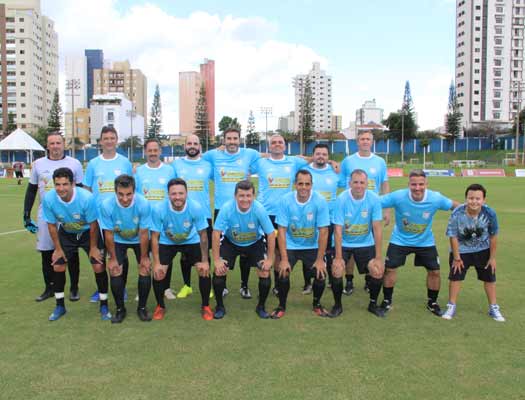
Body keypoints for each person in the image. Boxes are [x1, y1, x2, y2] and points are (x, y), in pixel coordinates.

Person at [380, 169, 460, 316]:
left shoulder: (435, 198)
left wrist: (477, 210)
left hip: (425, 241)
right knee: (390, 269)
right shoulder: (398, 196)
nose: (417, 188)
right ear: (408, 184)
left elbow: (456, 206)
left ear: (426, 184)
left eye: (421, 184)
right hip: (400, 239)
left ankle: (432, 302)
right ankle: (387, 300)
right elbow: (376, 202)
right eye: (414, 184)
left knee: (434, 271)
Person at [42, 167, 110, 321]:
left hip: (88, 233)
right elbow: (52, 225)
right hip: (66, 232)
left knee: (98, 264)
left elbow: (93, 224)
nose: (61, 188)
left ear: (72, 184)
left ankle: (104, 304)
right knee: (58, 265)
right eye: (57, 184)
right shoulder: (49, 199)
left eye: (65, 184)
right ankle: (60, 306)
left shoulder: (86, 198)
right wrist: (58, 249)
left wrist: (93, 248)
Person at [23, 131, 83, 302]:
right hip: (46, 213)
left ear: (64, 144)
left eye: (58, 143)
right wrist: (26, 214)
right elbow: (32, 190)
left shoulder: (75, 163)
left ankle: (74, 288)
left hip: (69, 214)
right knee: (46, 251)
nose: (55, 146)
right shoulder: (38, 164)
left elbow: (80, 189)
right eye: (52, 143)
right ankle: (49, 288)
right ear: (47, 146)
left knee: (70, 251)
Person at [203, 128, 260, 299]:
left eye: (235, 138)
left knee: (246, 243)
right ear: (224, 140)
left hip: (245, 207)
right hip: (223, 209)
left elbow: (267, 155)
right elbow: (196, 157)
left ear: (240, 139)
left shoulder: (249, 153)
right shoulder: (213, 155)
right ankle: (223, 283)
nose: (232, 141)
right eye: (229, 138)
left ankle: (244, 285)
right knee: (222, 246)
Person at [250, 134, 309, 295]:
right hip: (265, 214)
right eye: (273, 142)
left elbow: (313, 161)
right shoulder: (261, 163)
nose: (277, 144)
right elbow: (243, 167)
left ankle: (277, 284)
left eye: (280, 142)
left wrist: (331, 162)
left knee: (278, 250)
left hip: (285, 214)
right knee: (264, 250)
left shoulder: (293, 161)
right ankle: (263, 281)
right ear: (269, 146)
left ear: (285, 145)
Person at [212, 180, 275, 319]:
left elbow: (270, 234)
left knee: (264, 271)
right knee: (219, 270)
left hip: (254, 243)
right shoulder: (227, 208)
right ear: (235, 196)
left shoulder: (259, 209)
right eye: (241, 195)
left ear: (254, 196)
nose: (245, 199)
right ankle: (220, 306)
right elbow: (216, 233)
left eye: (248, 195)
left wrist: (270, 259)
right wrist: (216, 260)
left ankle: (261, 306)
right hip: (231, 242)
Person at [150, 178, 212, 320]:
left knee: (203, 270)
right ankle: (160, 306)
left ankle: (206, 306)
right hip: (168, 242)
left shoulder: (195, 207)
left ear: (186, 193)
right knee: (159, 272)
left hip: (191, 240)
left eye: (180, 193)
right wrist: (157, 262)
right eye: (173, 194)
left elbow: (203, 235)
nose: (177, 197)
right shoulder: (159, 209)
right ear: (168, 194)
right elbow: (154, 237)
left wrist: (204, 260)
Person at [83, 126, 132, 302]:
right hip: (98, 219)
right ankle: (101, 289)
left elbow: (130, 189)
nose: (109, 141)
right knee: (99, 255)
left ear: (116, 140)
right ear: (101, 141)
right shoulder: (93, 164)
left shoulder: (125, 162)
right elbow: (87, 189)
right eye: (106, 138)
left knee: (120, 255)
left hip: (120, 217)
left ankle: (122, 287)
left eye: (112, 137)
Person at [442, 184, 504, 322]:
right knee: (455, 277)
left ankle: (493, 307)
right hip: (461, 251)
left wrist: (492, 258)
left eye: (478, 198)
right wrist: (457, 258)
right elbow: (453, 236)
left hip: (483, 250)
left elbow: (493, 236)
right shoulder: (457, 213)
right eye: (471, 198)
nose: (474, 201)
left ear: (484, 200)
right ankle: (451, 305)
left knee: (489, 278)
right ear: (466, 199)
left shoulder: (490, 213)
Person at [273, 170, 330, 319]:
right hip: (291, 245)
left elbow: (324, 231)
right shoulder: (285, 200)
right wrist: (284, 259)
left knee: (321, 273)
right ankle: (281, 305)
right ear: (295, 185)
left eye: (307, 184)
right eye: (300, 183)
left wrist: (319, 259)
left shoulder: (320, 201)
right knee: (283, 271)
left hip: (311, 246)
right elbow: (282, 230)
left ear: (312, 185)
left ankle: (317, 304)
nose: (304, 187)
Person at [338, 130, 390, 295]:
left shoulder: (380, 161)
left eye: (368, 139)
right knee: (350, 244)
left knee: (371, 245)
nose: (365, 141)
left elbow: (385, 184)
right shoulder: (348, 161)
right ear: (357, 142)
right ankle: (349, 280)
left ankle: (369, 279)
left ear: (372, 141)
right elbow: (340, 180)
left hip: (371, 208)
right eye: (362, 139)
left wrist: (387, 208)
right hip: (351, 209)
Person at [331, 169, 385, 318]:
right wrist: (338, 256)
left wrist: (379, 257)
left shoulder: (374, 199)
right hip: (344, 243)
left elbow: (377, 228)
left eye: (362, 182)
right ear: (350, 183)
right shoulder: (341, 199)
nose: (359, 185)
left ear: (367, 184)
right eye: (355, 182)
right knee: (336, 269)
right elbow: (338, 229)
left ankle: (373, 304)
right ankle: (337, 305)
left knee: (378, 270)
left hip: (365, 243)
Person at [99, 175, 152, 323]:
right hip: (118, 239)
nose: (125, 199)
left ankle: (142, 308)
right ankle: (120, 309)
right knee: (115, 269)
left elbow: (143, 233)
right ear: (115, 191)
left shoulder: (143, 204)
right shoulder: (106, 205)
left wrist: (144, 258)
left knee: (145, 268)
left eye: (129, 194)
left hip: (138, 239)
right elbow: (108, 234)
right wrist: (113, 258)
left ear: (134, 191)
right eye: (121, 194)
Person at [171, 134, 213, 300]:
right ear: (185, 146)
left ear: (200, 146)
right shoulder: (177, 165)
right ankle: (187, 285)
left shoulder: (208, 165)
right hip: (181, 215)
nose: (192, 146)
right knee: (184, 253)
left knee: (204, 251)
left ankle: (206, 284)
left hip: (203, 215)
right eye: (189, 143)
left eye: (195, 143)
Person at [134, 138, 176, 300]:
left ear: (160, 151)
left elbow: (175, 193)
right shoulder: (139, 171)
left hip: (165, 220)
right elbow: (135, 195)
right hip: (145, 220)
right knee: (143, 254)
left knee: (165, 255)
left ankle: (165, 288)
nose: (152, 153)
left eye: (155, 150)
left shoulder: (169, 171)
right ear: (145, 152)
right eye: (149, 150)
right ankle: (143, 287)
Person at [303, 143, 339, 293]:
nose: (321, 157)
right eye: (318, 154)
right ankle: (308, 283)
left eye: (324, 154)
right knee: (308, 249)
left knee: (329, 250)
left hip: (329, 219)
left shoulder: (334, 172)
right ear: (313, 155)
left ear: (328, 157)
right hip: (308, 218)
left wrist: (333, 163)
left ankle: (330, 279)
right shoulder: (305, 171)